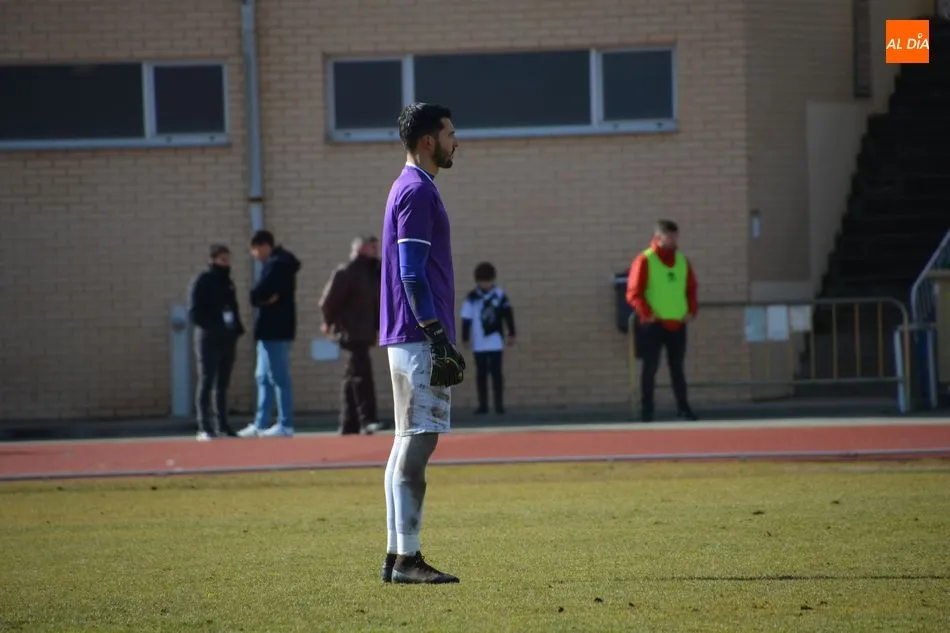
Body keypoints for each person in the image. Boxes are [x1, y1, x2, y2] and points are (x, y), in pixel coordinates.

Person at [378, 102, 464, 585]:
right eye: (450, 134)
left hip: (406, 333)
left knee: (404, 442)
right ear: (429, 141)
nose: (456, 142)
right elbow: (411, 272)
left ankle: (396, 556)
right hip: (417, 336)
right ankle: (408, 560)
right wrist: (435, 333)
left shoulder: (409, 186)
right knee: (418, 441)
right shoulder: (417, 190)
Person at [626, 219, 699, 423]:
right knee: (650, 368)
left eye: (676, 236)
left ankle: (683, 408)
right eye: (670, 236)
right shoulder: (645, 260)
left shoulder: (682, 261)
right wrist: (646, 312)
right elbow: (633, 293)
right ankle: (647, 410)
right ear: (658, 238)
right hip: (653, 325)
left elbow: (691, 288)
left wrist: (691, 311)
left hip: (677, 323)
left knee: (678, 368)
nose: (674, 240)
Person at [319, 235, 386, 435]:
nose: (375, 251)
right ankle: (368, 419)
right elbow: (328, 301)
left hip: (364, 331)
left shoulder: (371, 273)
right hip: (351, 332)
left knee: (351, 377)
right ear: (359, 249)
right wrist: (328, 322)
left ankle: (349, 424)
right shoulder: (347, 272)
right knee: (361, 375)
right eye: (371, 247)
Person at [237, 230, 302, 438]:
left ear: (264, 245)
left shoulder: (277, 265)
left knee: (278, 377)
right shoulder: (276, 264)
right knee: (263, 376)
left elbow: (258, 292)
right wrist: (262, 298)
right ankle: (261, 423)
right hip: (268, 330)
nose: (254, 255)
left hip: (276, 329)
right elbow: (259, 295)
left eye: (255, 249)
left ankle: (286, 424)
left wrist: (260, 298)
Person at [187, 244, 245, 441]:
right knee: (206, 380)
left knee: (222, 384)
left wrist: (236, 329)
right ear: (212, 260)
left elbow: (233, 307)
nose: (226, 264)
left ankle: (223, 425)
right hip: (208, 339)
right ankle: (204, 426)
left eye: (228, 260)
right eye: (222, 260)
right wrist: (214, 327)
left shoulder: (228, 283)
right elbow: (195, 312)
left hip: (227, 339)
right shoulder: (202, 281)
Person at [460, 262, 516, 415]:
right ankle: (483, 405)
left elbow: (508, 315)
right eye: (482, 281)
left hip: (495, 342)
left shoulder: (499, 295)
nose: (485, 284)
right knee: (481, 375)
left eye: (488, 281)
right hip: (479, 343)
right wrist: (465, 337)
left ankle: (499, 405)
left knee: (497, 374)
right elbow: (466, 319)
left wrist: (511, 333)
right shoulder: (472, 298)